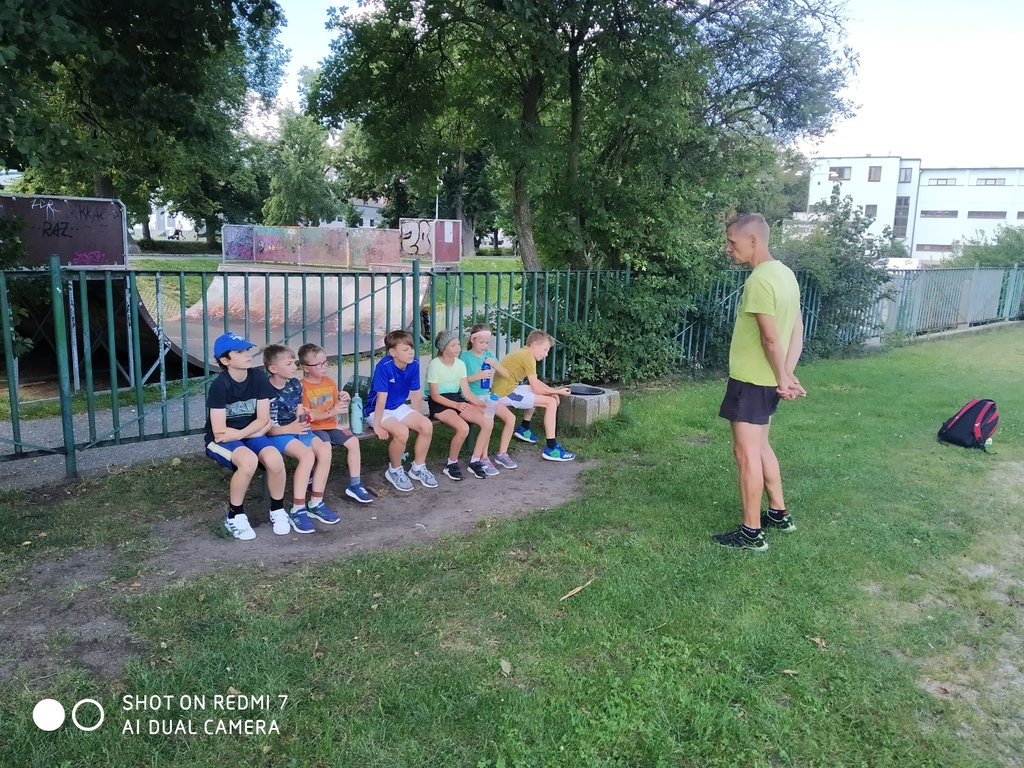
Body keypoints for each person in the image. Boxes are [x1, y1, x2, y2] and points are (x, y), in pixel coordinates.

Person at [713, 212, 806, 552]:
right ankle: (778, 513)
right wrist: (786, 376)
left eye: (732, 242)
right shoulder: (786, 274)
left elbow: (770, 338)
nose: (728, 248)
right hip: (767, 382)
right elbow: (797, 329)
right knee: (762, 446)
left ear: (752, 240)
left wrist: (783, 376)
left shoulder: (760, 280)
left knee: (746, 454)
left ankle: (751, 533)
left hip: (751, 382)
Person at [204, 332, 287, 541]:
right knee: (248, 461)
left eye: (247, 350)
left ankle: (277, 510)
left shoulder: (257, 377)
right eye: (239, 352)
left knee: (274, 458)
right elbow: (220, 431)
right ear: (225, 360)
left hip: (246, 433)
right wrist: (251, 432)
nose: (247, 355)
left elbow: (263, 418)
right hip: (220, 440)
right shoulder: (220, 385)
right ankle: (235, 515)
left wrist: (243, 433)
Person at [263, 344, 340, 534]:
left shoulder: (295, 384)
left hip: (297, 429)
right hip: (278, 434)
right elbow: (267, 429)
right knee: (307, 456)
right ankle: (298, 508)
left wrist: (304, 417)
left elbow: (298, 409)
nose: (294, 367)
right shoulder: (265, 390)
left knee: (325, 449)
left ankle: (316, 502)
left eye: (294, 363)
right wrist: (291, 428)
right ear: (273, 368)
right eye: (289, 363)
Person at [296, 342, 373, 504]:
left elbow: (337, 403)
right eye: (318, 364)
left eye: (325, 362)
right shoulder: (302, 387)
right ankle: (313, 481)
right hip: (314, 428)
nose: (324, 366)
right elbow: (308, 417)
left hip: (332, 425)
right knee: (325, 448)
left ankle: (355, 484)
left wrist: (345, 397)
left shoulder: (329, 382)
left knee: (353, 442)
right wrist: (332, 412)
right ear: (305, 368)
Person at [364, 330, 438, 491]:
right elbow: (381, 399)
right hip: (377, 411)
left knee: (426, 426)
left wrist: (417, 416)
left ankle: (418, 468)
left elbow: (415, 392)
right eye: (405, 349)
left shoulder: (414, 364)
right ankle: (395, 470)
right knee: (402, 432)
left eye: (411, 348)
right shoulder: (384, 366)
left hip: (398, 406)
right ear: (392, 352)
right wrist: (377, 425)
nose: (411, 352)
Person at [491, 330, 576, 462]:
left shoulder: (524, 353)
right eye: (545, 350)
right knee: (550, 402)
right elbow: (537, 388)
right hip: (504, 394)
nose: (546, 354)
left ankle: (524, 428)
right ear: (535, 345)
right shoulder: (528, 357)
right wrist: (557, 392)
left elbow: (534, 384)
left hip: (506, 390)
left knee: (534, 392)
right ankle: (551, 448)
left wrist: (553, 391)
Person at [427, 329, 493, 480]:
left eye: (458, 344)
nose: (458, 348)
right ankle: (451, 464)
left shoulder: (460, 364)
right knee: (463, 428)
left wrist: (480, 403)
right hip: (440, 402)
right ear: (443, 348)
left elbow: (466, 391)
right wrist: (456, 406)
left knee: (487, 422)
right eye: (453, 345)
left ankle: (475, 461)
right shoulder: (434, 365)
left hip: (457, 399)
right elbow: (435, 395)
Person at [459, 323, 518, 472]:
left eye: (487, 343)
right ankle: (483, 458)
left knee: (510, 418)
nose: (484, 346)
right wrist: (477, 376)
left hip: (487, 396)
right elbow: (461, 381)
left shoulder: (489, 356)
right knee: (488, 420)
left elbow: (506, 374)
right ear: (472, 340)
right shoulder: (465, 357)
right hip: (471, 397)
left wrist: (495, 365)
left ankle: (502, 453)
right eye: (481, 342)